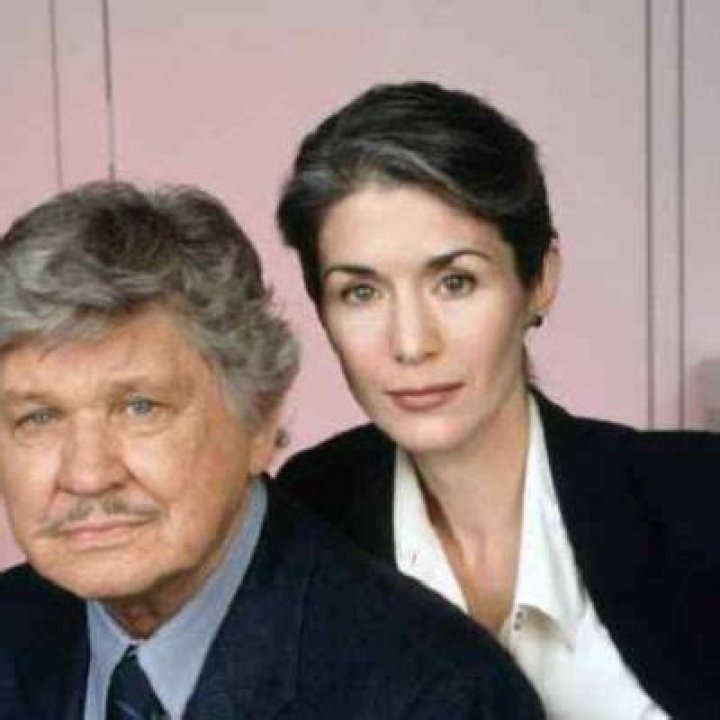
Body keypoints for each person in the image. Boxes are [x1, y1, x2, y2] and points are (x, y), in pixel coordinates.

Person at [0, 181, 544, 719]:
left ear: (260, 419)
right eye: (38, 417)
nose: (88, 474)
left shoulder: (439, 696)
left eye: (141, 408)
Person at [275, 81, 720, 719]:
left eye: (455, 282)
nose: (411, 343)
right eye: (361, 292)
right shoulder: (311, 515)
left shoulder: (699, 498)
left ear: (539, 281)